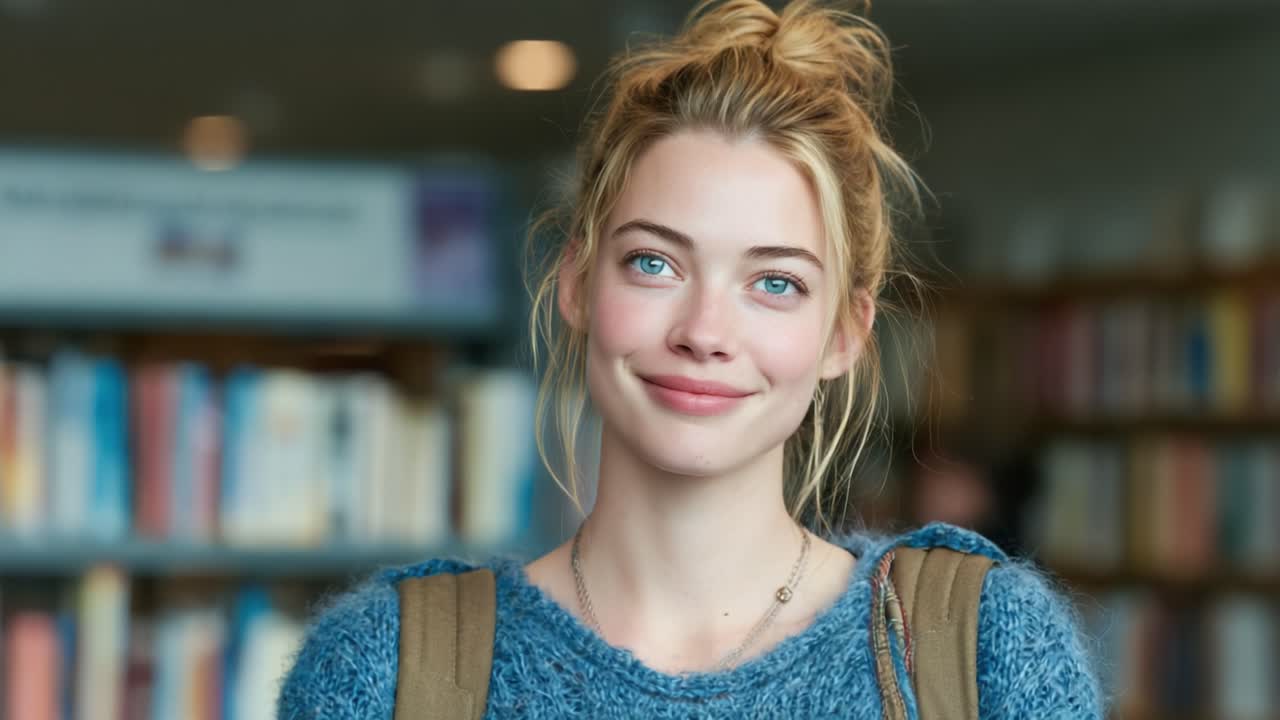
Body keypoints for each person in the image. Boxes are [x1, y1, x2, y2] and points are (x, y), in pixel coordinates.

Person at [277, 1, 1103, 717]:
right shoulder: (381, 670)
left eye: (774, 282)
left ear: (846, 333)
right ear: (575, 282)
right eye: (654, 263)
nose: (705, 330)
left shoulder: (988, 651)